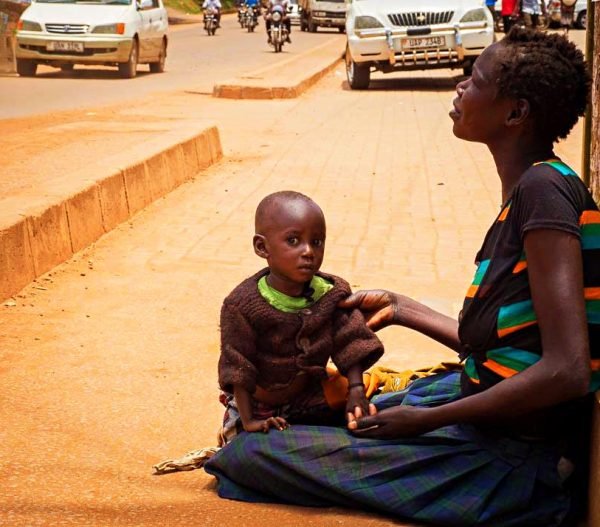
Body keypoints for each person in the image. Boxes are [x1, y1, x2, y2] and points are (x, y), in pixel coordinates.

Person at [205, 28, 597, 527]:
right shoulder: (533, 190)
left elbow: (567, 369)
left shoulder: (543, 192)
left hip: (515, 457)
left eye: (473, 80)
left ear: (515, 113)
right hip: (489, 418)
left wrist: (428, 420)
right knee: (357, 409)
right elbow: (509, 348)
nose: (459, 88)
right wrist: (401, 307)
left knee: (248, 457)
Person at [216, 191, 384, 444]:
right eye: (293, 241)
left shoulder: (332, 293)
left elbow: (351, 341)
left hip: (309, 395)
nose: (308, 252)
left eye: (317, 242)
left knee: (362, 421)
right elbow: (237, 366)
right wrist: (250, 422)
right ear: (262, 247)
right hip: (257, 404)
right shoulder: (242, 305)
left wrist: (356, 390)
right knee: (246, 452)